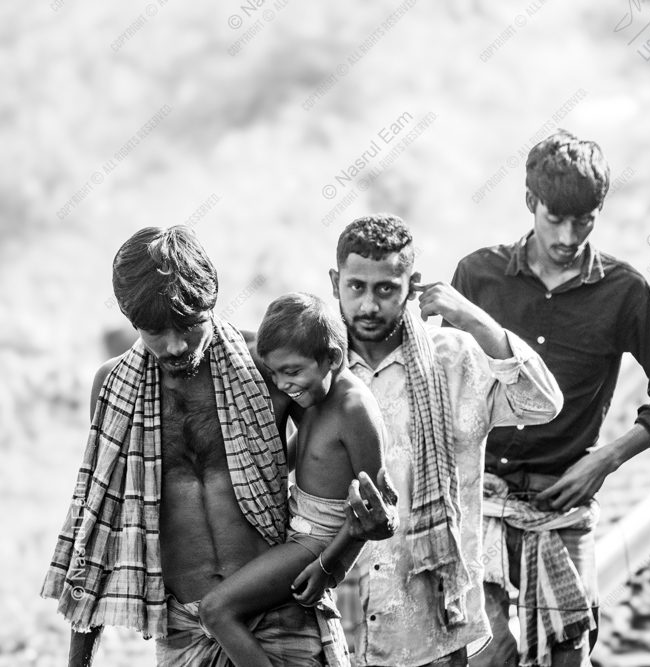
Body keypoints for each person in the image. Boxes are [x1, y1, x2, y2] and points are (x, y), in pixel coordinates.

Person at [41, 226, 398, 667]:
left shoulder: (268, 366)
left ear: (210, 303)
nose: (175, 345)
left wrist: (335, 561)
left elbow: (341, 461)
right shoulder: (114, 390)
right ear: (132, 321)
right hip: (184, 630)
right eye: (155, 331)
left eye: (189, 326)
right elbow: (96, 530)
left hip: (284, 613)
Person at [451, 130, 650, 666]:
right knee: (489, 654)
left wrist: (603, 461)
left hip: (561, 506)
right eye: (555, 218)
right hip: (478, 500)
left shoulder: (626, 292)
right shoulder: (478, 276)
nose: (568, 236)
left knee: (569, 651)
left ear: (598, 212)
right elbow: (445, 382)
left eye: (583, 220)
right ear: (530, 202)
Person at [329, 214, 563, 666]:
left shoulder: (455, 358)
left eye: (386, 289)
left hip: (433, 624)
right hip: (338, 619)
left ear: (411, 286)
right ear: (335, 282)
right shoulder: (318, 368)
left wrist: (472, 318)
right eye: (356, 287)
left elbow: (543, 402)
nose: (369, 305)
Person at [199, 292, 387, 667]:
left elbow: (374, 509)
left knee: (215, 610)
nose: (283, 384)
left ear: (333, 358)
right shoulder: (313, 399)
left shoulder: (354, 407)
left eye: (293, 372)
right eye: (275, 374)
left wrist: (327, 566)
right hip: (296, 530)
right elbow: (295, 457)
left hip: (317, 543)